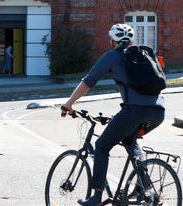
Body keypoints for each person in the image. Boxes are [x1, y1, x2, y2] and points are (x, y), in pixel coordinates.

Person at [60, 23, 165, 206]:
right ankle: (144, 187)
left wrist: (69, 104)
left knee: (101, 146)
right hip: (158, 111)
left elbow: (88, 82)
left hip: (134, 111)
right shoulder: (144, 55)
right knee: (129, 141)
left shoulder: (112, 56)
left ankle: (96, 197)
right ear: (131, 40)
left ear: (111, 41)